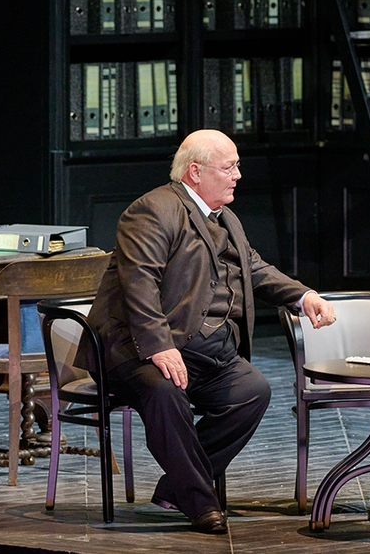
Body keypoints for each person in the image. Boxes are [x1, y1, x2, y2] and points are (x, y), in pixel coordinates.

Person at [84, 129, 337, 534]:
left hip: (207, 350)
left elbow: (254, 269)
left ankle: (177, 487)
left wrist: (303, 296)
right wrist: (159, 347)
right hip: (135, 349)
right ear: (196, 172)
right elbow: (140, 283)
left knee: (252, 390)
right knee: (166, 391)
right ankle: (201, 503)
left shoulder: (226, 218)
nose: (238, 174)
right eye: (229, 166)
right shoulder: (152, 210)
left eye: (237, 165)